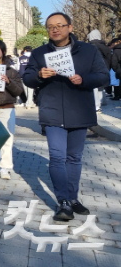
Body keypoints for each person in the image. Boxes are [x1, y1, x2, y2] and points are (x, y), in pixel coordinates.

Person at [22, 12, 109, 221]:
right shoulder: (39, 53)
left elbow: (103, 75)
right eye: (51, 26)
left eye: (60, 25)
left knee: (74, 158)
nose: (55, 29)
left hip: (79, 110)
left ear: (70, 27)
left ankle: (72, 198)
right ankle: (63, 201)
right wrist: (39, 75)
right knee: (58, 157)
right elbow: (27, 77)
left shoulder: (88, 50)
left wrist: (84, 79)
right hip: (52, 112)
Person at [0, 40, 23, 180]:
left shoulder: (11, 71)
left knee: (7, 137)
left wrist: (9, 82)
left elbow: (19, 91)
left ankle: (5, 167)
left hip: (6, 107)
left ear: (3, 51)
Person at [87, 30, 112, 113]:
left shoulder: (88, 46)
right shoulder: (105, 47)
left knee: (94, 87)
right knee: (101, 87)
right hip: (104, 67)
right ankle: (101, 102)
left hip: (92, 68)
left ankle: (96, 105)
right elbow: (109, 58)